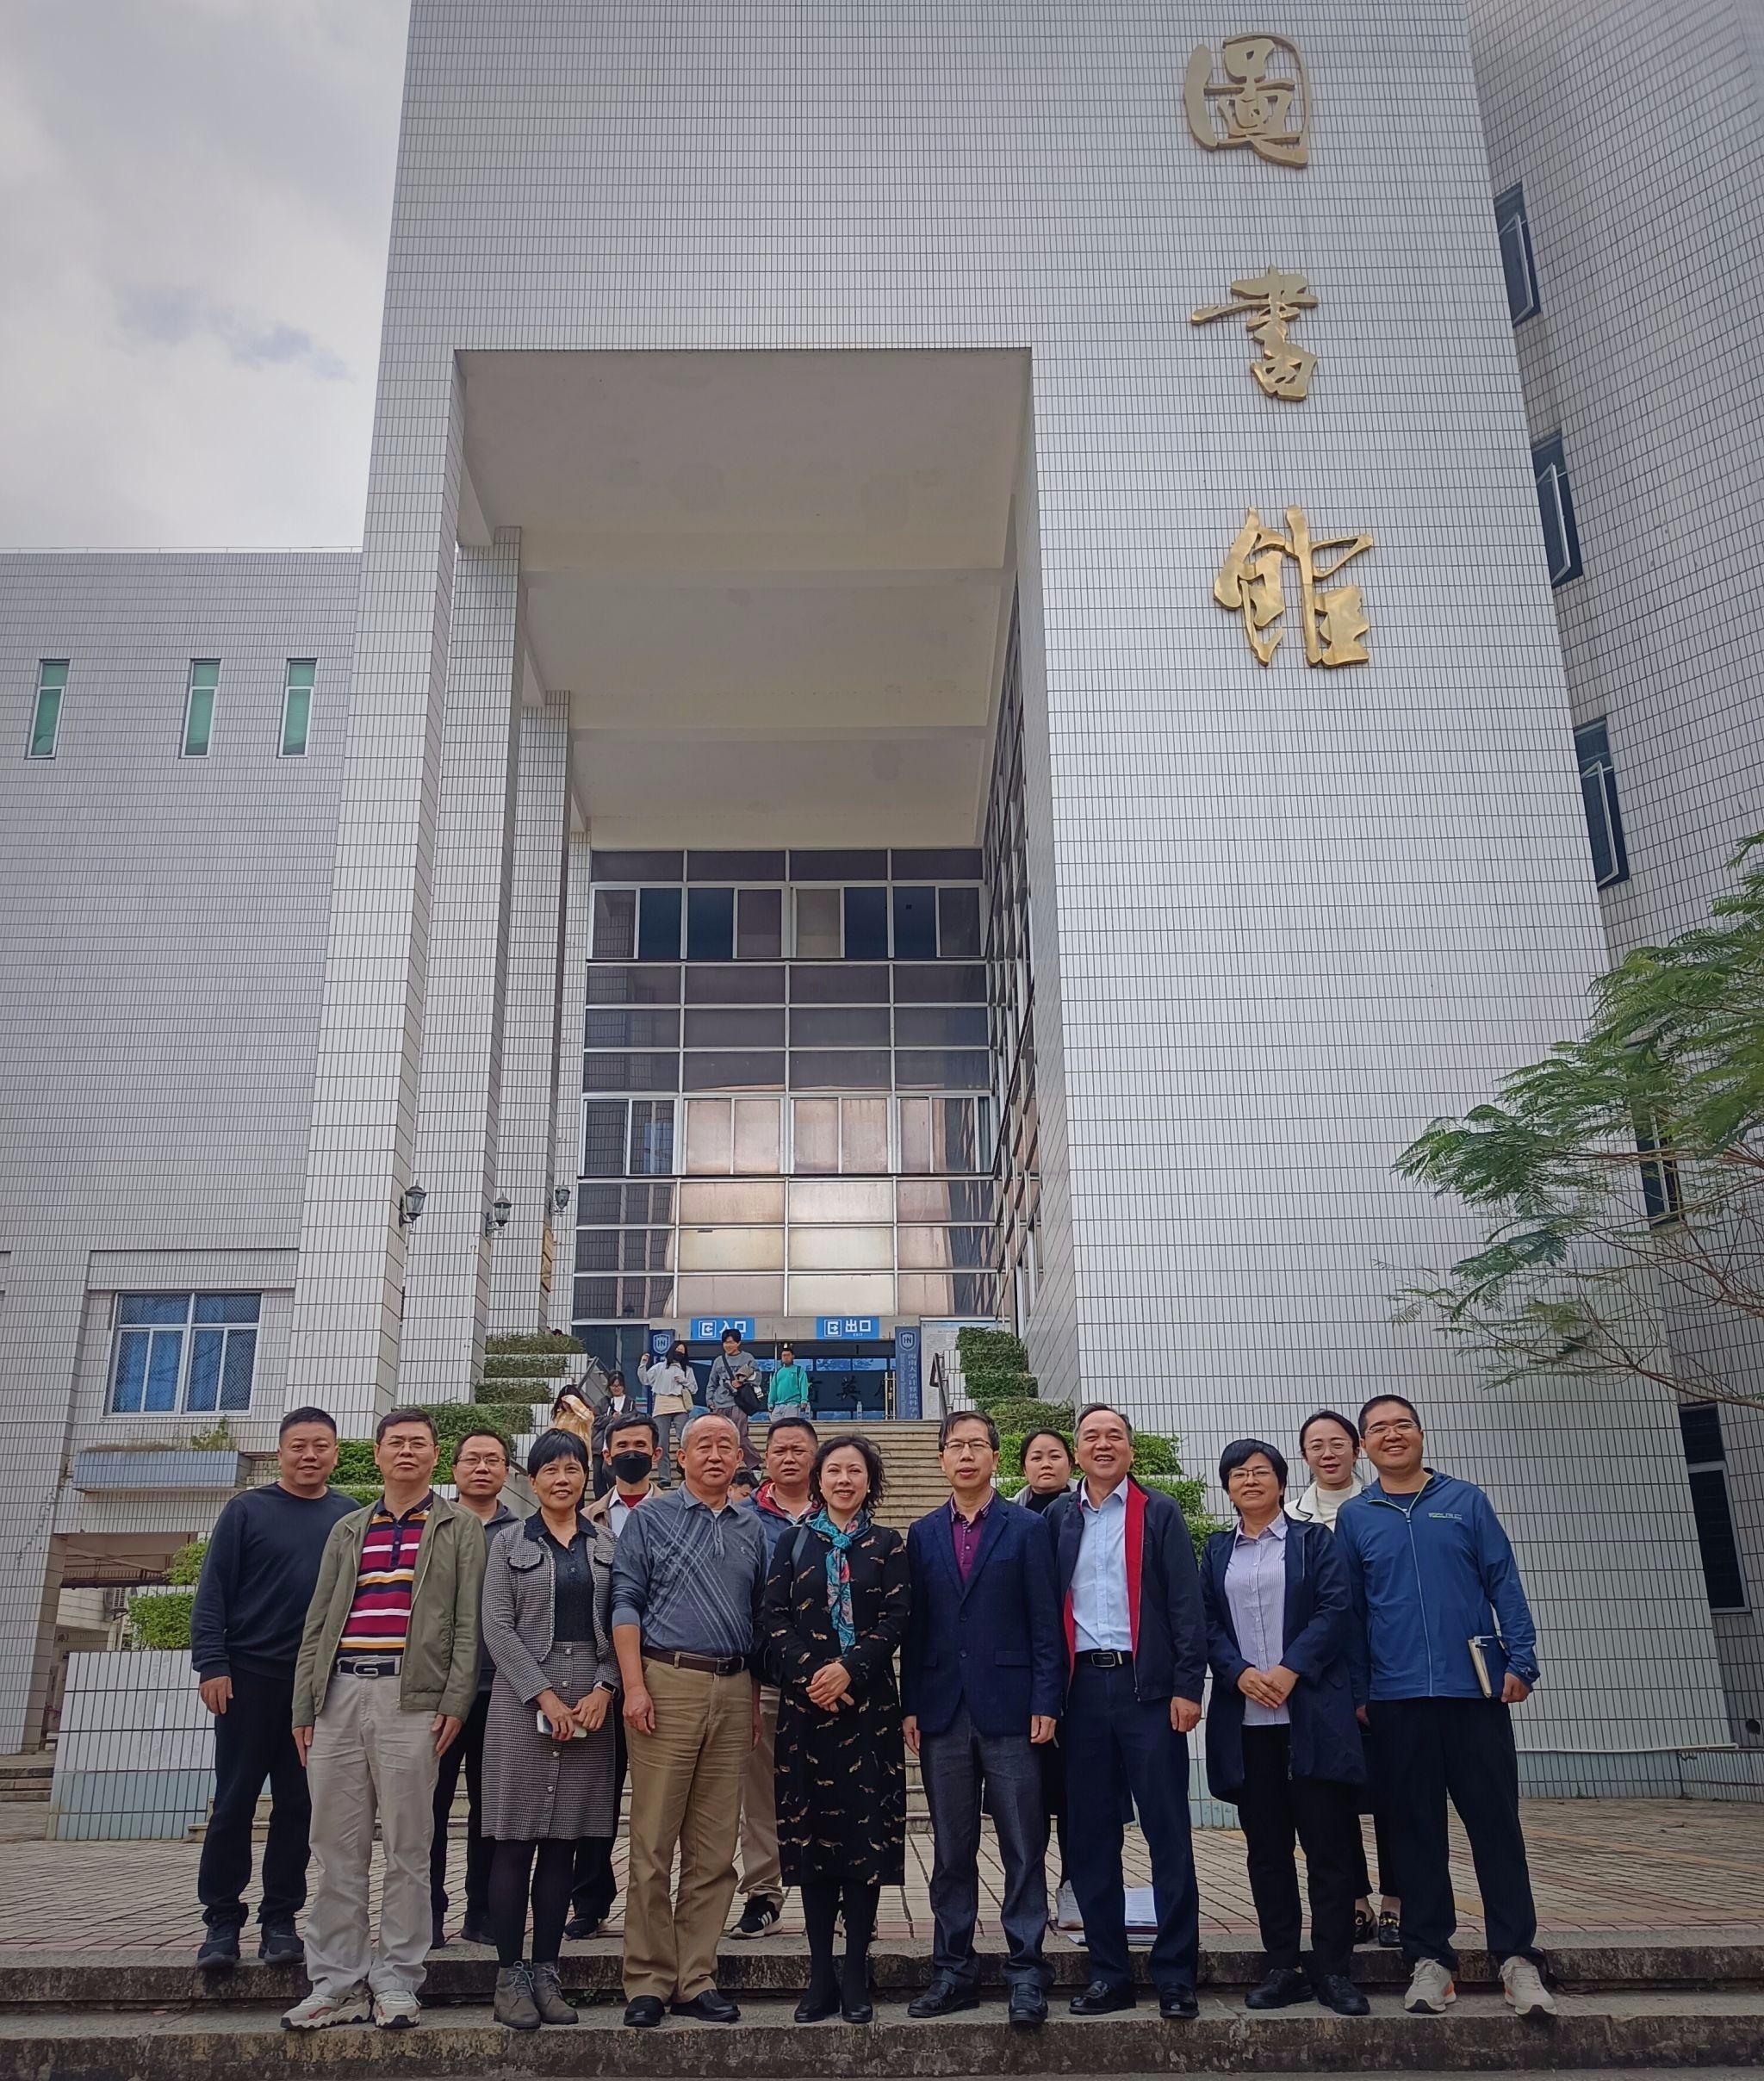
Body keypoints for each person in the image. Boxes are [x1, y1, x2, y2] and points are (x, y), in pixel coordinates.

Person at [1335, 1394, 1556, 2019]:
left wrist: (1521, 1661)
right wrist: (1360, 1692)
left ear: (1421, 1434)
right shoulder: (1356, 1516)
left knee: (1496, 1827)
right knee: (1414, 1834)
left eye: (1402, 1424)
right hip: (1397, 1700)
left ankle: (1517, 1958)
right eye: (1378, 1429)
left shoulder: (1465, 1501)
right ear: (1364, 1446)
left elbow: (1503, 1581)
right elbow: (1351, 1611)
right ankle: (1430, 1959)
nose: (1392, 1435)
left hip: (1473, 1694)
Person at [284, 1409, 485, 2032]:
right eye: (395, 1442)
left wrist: (454, 1700)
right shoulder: (348, 1528)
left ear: (434, 1456)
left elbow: (467, 1623)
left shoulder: (458, 1527)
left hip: (412, 1698)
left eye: (418, 1443)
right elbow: (318, 1621)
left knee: (408, 1845)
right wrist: (304, 1704)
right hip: (339, 1694)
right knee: (335, 1847)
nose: (406, 1452)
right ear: (376, 1454)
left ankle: (397, 1978)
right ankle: (334, 1981)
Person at [901, 1409, 1061, 2031]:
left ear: (995, 1456)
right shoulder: (922, 1533)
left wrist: (1046, 1700)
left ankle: (1027, 1971)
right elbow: (916, 1630)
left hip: (1013, 1710)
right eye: (955, 1446)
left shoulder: (1028, 1528)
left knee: (1023, 1844)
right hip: (943, 1711)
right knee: (951, 1850)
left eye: (977, 1445)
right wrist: (912, 1703)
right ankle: (953, 1972)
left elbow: (1045, 1621)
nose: (966, 1456)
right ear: (941, 1459)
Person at [611, 1410, 770, 2028]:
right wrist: (633, 1686)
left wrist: (752, 1699)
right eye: (703, 1444)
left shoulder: (753, 1528)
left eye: (726, 1445)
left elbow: (757, 1621)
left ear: (739, 1458)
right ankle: (648, 1979)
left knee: (715, 1847)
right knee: (653, 1840)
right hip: (665, 1681)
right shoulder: (650, 1519)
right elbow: (625, 1601)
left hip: (733, 1686)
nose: (714, 1454)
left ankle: (696, 1976)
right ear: (679, 1457)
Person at [1048, 1404, 1205, 2022]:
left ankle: (1176, 1975)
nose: (1103, 1444)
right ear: (1077, 1452)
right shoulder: (1059, 1517)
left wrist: (1188, 1687)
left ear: (1130, 1450)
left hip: (1150, 1692)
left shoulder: (1158, 1512)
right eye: (1091, 1436)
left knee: (1168, 1832)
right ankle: (1109, 1974)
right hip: (1082, 1693)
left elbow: (1186, 1605)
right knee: (1090, 1839)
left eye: (1114, 1435)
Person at [1202, 1440, 1369, 2017]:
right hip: (1249, 1724)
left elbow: (1335, 1610)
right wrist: (1240, 1672)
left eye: (1261, 1472)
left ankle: (1334, 1970)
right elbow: (1204, 1622)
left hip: (1311, 1716)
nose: (1250, 1481)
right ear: (1227, 1487)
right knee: (1267, 1851)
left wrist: (1290, 1668)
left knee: (1328, 1848)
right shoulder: (1216, 1550)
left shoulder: (1313, 1541)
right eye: (1238, 1474)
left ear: (1280, 1480)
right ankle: (1282, 1966)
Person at [189, 1406, 357, 1971]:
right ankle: (221, 1922)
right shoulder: (246, 1510)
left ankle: (280, 1920)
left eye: (321, 1446)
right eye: (298, 1446)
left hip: (317, 1687)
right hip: (247, 1680)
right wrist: (212, 1664)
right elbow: (212, 1593)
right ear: (281, 1452)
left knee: (299, 1805)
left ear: (336, 1453)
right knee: (234, 1801)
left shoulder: (348, 1517)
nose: (310, 1455)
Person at [764, 1434, 909, 2024]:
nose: (844, 1480)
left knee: (863, 1838)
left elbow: (898, 1617)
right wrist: (812, 1675)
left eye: (855, 1471)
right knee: (814, 1840)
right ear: (818, 1480)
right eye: (834, 1471)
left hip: (868, 1708)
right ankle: (820, 1975)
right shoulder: (792, 1541)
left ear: (870, 1481)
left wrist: (849, 1669)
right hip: (806, 1710)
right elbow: (773, 1618)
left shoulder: (888, 1544)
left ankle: (855, 1973)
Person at [478, 1430, 620, 2030]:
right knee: (514, 1841)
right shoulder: (508, 1543)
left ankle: (547, 1970)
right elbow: (497, 1627)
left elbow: (627, 1620)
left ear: (586, 1477)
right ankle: (509, 1976)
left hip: (590, 1699)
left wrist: (605, 1687)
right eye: (551, 1470)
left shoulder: (608, 1545)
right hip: (521, 1698)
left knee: (565, 1842)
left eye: (573, 1469)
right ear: (532, 1480)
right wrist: (542, 1694)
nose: (563, 1480)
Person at [1288, 1408, 1399, 1950]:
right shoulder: (1292, 1519)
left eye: (1338, 1443)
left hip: (1385, 1670)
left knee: (1396, 1791)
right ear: (1304, 1456)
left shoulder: (1382, 1508)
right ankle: (1355, 1902)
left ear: (1357, 1449)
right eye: (1316, 1446)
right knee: (1332, 1796)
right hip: (1319, 1680)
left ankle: (1397, 1901)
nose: (1328, 1454)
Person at [566, 1412, 662, 1939]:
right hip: (598, 1675)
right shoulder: (584, 1519)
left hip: (662, 1670)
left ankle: (658, 1904)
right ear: (605, 1456)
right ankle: (590, 1899)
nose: (631, 1454)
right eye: (621, 1445)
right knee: (596, 1790)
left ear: (657, 1454)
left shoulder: (677, 1512)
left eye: (640, 1445)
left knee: (659, 1796)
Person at [431, 1428, 520, 1949]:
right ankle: (427, 1910)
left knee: (491, 1810)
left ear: (507, 1470)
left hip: (501, 1692)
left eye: (493, 1460)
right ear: (455, 1469)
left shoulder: (523, 1532)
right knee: (432, 1806)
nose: (482, 1468)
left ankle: (482, 1911)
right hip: (437, 1693)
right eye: (472, 1459)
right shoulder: (433, 1526)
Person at [733, 1414, 818, 1939]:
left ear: (816, 1457)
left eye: (798, 1449)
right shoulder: (742, 1519)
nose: (789, 1457)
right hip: (764, 1677)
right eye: (779, 1449)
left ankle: (832, 1894)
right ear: (764, 1458)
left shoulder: (842, 1512)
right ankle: (764, 1892)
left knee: (828, 1788)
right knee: (760, 1793)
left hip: (829, 1681)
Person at [638, 1339, 696, 1487]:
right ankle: (664, 1477)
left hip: (680, 1404)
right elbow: (645, 1379)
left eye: (682, 1352)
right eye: (677, 1351)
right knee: (662, 1442)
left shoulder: (687, 1370)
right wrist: (643, 1364)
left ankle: (686, 1469)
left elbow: (694, 1388)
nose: (679, 1354)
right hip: (661, 1405)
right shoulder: (659, 1367)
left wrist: (684, 1381)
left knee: (685, 1438)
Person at [705, 1327, 763, 1468]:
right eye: (725, 1343)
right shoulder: (719, 1361)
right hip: (720, 1403)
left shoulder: (747, 1358)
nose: (728, 1346)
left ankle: (754, 1464)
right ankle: (724, 1465)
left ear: (738, 1343)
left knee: (740, 1435)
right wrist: (709, 1400)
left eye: (731, 1342)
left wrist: (743, 1381)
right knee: (720, 1437)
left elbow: (758, 1377)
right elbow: (712, 1382)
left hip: (739, 1402)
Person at [589, 1370, 643, 1498]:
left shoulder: (630, 1402)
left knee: (611, 1472)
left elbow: (635, 1419)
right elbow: (595, 1420)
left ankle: (615, 1497)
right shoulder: (603, 1402)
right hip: (600, 1445)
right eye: (613, 1385)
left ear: (623, 1386)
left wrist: (622, 1418)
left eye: (619, 1385)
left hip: (620, 1444)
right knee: (598, 1475)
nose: (616, 1388)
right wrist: (610, 1418)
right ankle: (600, 1501)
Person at [1015, 1426, 1076, 1513]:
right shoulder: (1011, 1513)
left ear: (1070, 1464)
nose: (1046, 1464)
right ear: (1024, 1468)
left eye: (1055, 1456)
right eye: (1037, 1458)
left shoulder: (1090, 1506)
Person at [767, 1343, 811, 1414]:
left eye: (788, 1355)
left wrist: (804, 1400)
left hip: (792, 1405)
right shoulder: (778, 1372)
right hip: (778, 1406)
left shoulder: (798, 1370)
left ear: (793, 1357)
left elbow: (803, 1386)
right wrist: (770, 1403)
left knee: (790, 1422)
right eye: (784, 1355)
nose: (786, 1357)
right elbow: (773, 1389)